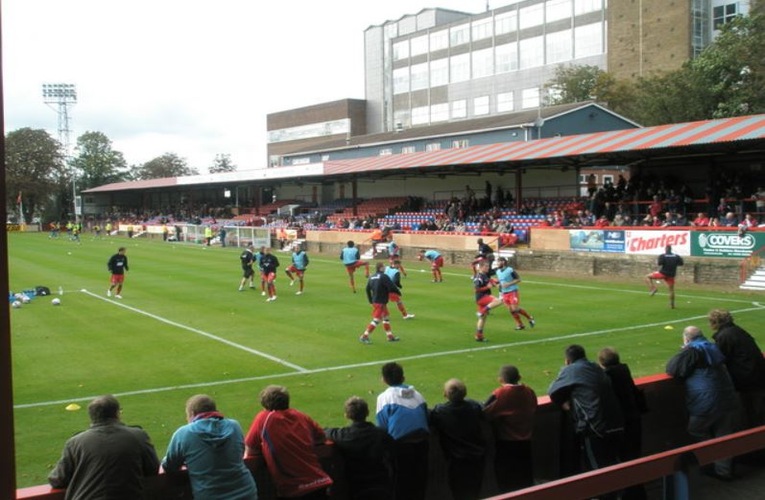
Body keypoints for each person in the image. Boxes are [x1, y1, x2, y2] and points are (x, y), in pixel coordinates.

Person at [48, 395, 160, 499]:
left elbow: (57, 480)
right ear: (117, 414)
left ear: (91, 417)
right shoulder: (138, 436)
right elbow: (152, 469)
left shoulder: (75, 442)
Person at [666, 326, 739, 480]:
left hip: (706, 402)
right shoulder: (712, 346)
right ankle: (723, 470)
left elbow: (672, 368)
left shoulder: (692, 351)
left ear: (686, 338)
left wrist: (684, 350)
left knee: (696, 429)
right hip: (728, 397)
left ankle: (712, 459)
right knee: (724, 435)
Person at [548, 345, 625, 480]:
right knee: (614, 464)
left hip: (595, 426)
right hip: (616, 421)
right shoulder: (595, 367)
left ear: (567, 360)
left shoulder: (572, 370)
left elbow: (553, 390)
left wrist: (564, 403)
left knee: (597, 471)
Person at [161, 394, 257, 500]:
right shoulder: (234, 426)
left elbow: (169, 466)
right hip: (246, 493)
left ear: (192, 414)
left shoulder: (184, 434)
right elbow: (239, 453)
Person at [245, 385, 333, 499]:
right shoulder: (300, 416)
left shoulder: (264, 418)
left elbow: (251, 449)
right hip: (319, 482)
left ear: (265, 405)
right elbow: (321, 437)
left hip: (294, 489)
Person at [598, 348, 647, 500]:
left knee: (619, 460)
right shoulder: (624, 371)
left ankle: (626, 494)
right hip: (633, 419)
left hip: (619, 423)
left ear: (602, 363)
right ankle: (637, 494)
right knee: (632, 458)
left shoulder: (607, 377)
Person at [376, 362, 430, 500]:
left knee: (400, 485)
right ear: (403, 378)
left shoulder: (384, 398)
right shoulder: (418, 395)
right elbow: (426, 416)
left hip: (400, 448)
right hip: (422, 445)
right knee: (419, 483)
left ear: (383, 379)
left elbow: (383, 428)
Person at [324, 396, 395, 500]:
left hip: (356, 485)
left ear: (347, 415)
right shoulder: (381, 434)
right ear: (367, 412)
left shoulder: (343, 435)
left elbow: (326, 432)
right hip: (380, 483)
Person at [483, 365, 537, 493]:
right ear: (519, 377)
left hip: (506, 444)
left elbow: (485, 412)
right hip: (526, 443)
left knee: (506, 482)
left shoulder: (500, 394)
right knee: (525, 480)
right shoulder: (529, 391)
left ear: (500, 380)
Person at [430, 378, 486, 500]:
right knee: (475, 490)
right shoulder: (474, 407)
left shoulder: (440, 411)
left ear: (445, 394)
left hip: (456, 461)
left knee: (459, 493)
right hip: (476, 458)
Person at [708, 309, 765, 428]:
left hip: (746, 379)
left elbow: (717, 358)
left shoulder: (725, 336)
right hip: (756, 375)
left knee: (748, 412)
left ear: (715, 322)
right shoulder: (737, 331)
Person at [359, 262, 401, 343]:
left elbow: (367, 289)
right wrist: (398, 292)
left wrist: (370, 300)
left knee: (386, 318)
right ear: (381, 268)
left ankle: (390, 336)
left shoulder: (372, 277)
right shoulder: (384, 276)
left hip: (376, 301)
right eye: (384, 267)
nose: (385, 268)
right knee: (376, 320)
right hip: (381, 302)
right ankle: (364, 336)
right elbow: (391, 286)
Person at [495, 256, 535, 331]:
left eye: (498, 261)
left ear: (503, 262)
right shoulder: (498, 271)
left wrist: (508, 284)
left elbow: (518, 279)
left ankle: (530, 317)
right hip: (504, 293)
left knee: (515, 309)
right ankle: (520, 324)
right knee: (511, 310)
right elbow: (501, 280)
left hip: (512, 291)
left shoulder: (510, 270)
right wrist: (498, 284)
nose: (497, 263)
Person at [644, 244, 684, 308]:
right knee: (671, 290)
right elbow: (681, 263)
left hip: (662, 273)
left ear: (665, 249)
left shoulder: (663, 256)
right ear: (671, 249)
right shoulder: (676, 256)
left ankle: (653, 289)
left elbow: (659, 263)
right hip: (671, 275)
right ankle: (672, 305)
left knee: (647, 276)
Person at [473, 259, 502, 342]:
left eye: (488, 266)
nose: (488, 268)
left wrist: (496, 282)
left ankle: (479, 335)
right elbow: (476, 289)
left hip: (484, 297)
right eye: (486, 266)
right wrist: (487, 287)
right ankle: (482, 311)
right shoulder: (478, 277)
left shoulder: (485, 275)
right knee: (499, 301)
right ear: (481, 267)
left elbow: (490, 282)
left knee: (483, 318)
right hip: (482, 297)